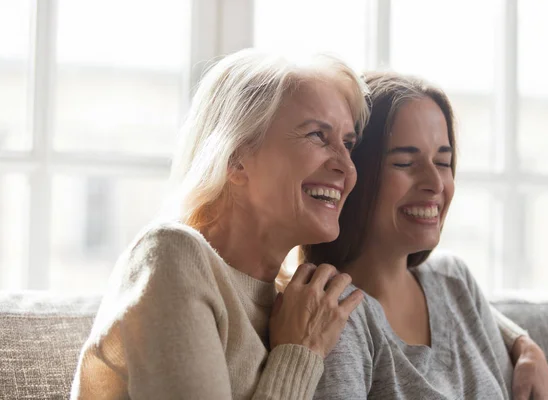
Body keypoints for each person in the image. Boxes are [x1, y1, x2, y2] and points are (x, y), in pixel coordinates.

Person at [69, 49, 370, 399]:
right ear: (236, 159)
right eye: (318, 135)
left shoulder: (300, 306)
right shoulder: (171, 255)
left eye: (347, 145)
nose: (347, 168)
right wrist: (300, 356)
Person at [305, 71, 548, 399]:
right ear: (354, 173)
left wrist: (523, 342)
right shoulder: (336, 317)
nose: (435, 183)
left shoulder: (454, 280)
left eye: (443, 162)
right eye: (406, 163)